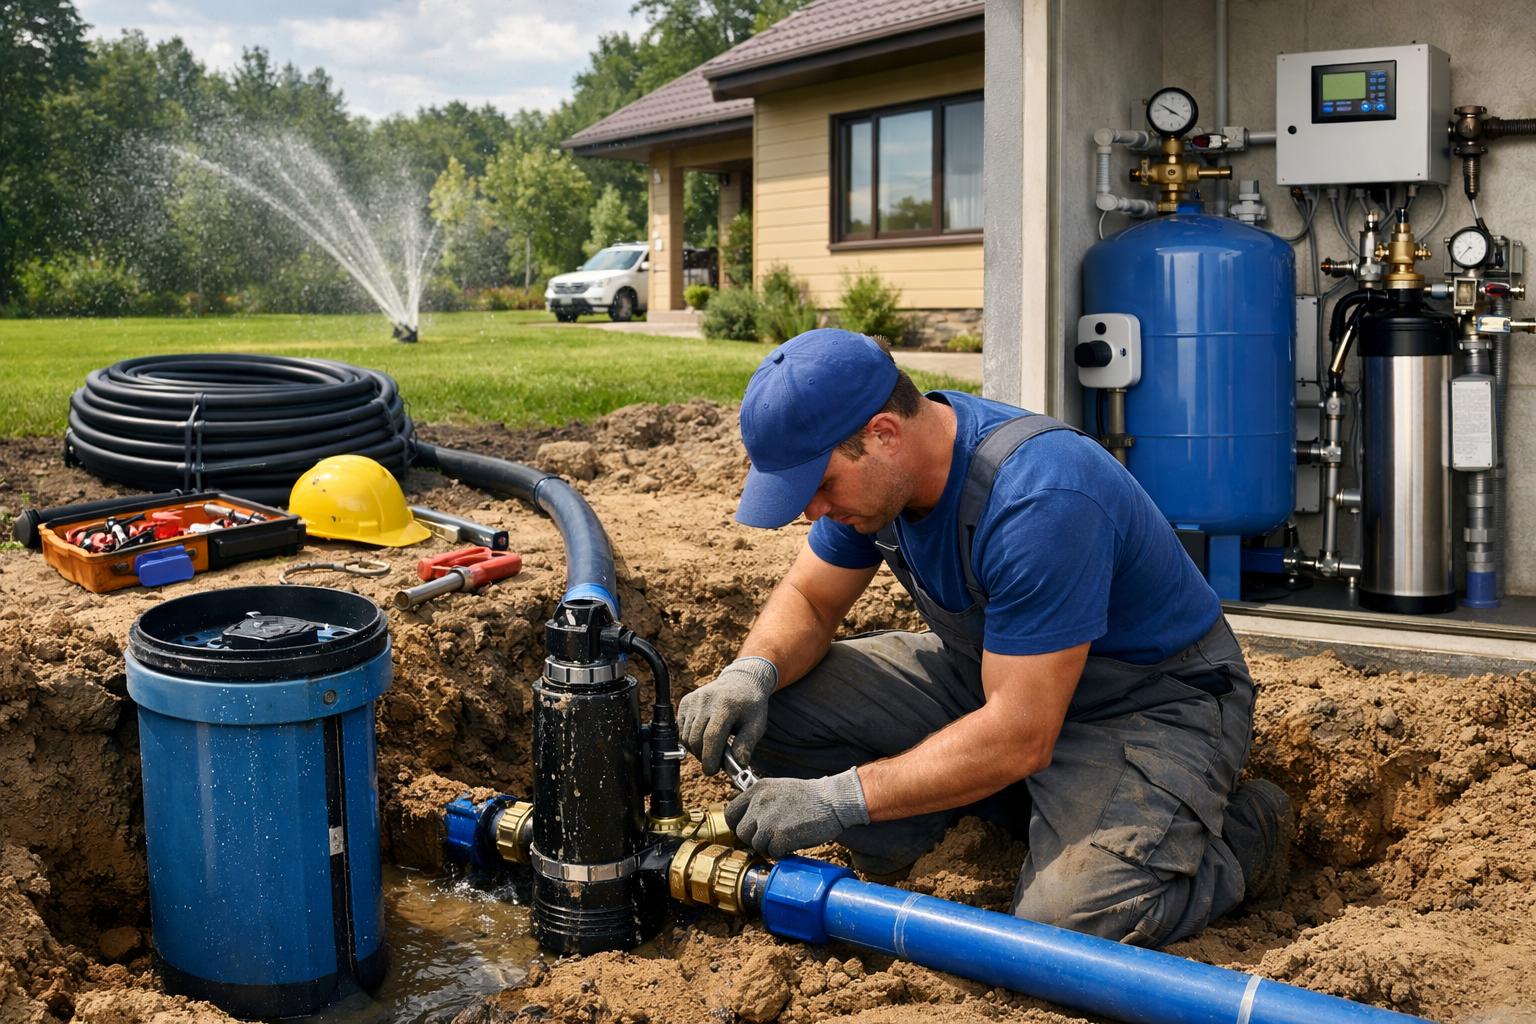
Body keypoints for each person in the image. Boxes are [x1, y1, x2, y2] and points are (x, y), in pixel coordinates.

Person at [677, 328, 1292, 948]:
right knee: (776, 706)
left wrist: (839, 799)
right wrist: (748, 673)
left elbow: (1020, 734)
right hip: (1002, 682)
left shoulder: (1039, 496)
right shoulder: (879, 487)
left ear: (883, 435)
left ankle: (1244, 838)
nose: (812, 512)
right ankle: (943, 845)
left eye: (821, 486)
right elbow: (810, 599)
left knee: (1068, 928)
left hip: (1148, 707)